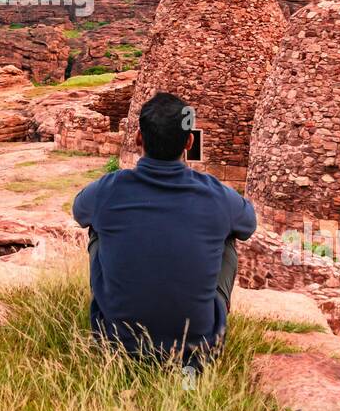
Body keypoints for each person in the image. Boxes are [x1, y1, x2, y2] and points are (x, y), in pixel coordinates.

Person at [72, 91, 257, 369]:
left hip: (116, 343)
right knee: (229, 235)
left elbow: (79, 212)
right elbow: (249, 225)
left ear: (138, 138)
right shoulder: (216, 195)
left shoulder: (108, 190)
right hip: (198, 349)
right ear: (189, 141)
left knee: (96, 228)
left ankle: (120, 311)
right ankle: (192, 349)